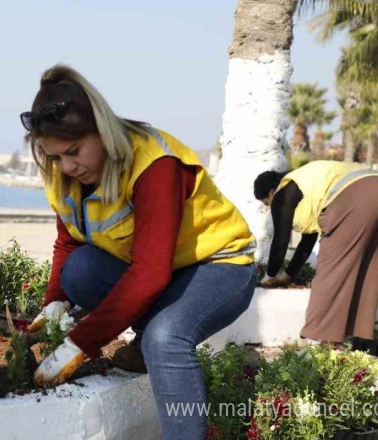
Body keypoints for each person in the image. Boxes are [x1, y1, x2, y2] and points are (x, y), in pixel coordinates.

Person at [21, 64, 257, 440]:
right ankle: (145, 343)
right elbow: (69, 242)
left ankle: (154, 350)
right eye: (54, 157)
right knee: (78, 271)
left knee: (167, 338)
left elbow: (149, 274)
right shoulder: (63, 174)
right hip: (166, 271)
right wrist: (55, 302)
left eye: (74, 151)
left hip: (221, 266)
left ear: (102, 129)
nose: (66, 165)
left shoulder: (154, 165)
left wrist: (81, 342)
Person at [253, 161, 378, 344]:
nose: (269, 208)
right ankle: (360, 341)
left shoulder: (283, 192)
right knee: (367, 270)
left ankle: (317, 342)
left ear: (270, 192)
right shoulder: (309, 185)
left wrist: (270, 275)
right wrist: (288, 275)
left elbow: (280, 241)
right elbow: (307, 242)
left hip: (354, 196)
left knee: (330, 271)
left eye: (267, 204)